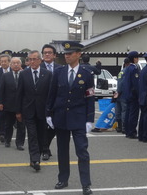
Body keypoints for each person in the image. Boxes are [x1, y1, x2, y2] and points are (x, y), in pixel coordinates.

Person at [46, 41, 95, 195]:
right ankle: (63, 179)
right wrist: (48, 114)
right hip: (61, 118)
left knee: (82, 151)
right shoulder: (59, 72)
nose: (66, 56)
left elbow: (90, 98)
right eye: (65, 54)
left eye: (70, 53)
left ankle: (86, 184)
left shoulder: (86, 74)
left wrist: (89, 119)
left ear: (78, 55)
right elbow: (51, 94)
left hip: (79, 119)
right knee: (62, 151)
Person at [16, 50, 52, 171]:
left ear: (40, 60)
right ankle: (35, 159)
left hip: (42, 111)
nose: (32, 61)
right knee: (32, 135)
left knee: (42, 135)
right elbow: (19, 94)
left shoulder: (47, 74)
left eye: (34, 59)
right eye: (29, 59)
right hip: (28, 110)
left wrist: (50, 110)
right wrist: (18, 112)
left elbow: (50, 94)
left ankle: (42, 152)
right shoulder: (24, 74)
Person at [0, 57, 25, 150]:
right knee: (8, 124)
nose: (16, 65)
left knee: (21, 125)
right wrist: (0, 102)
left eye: (18, 63)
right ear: (10, 64)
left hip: (22, 105)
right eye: (14, 63)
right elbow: (1, 90)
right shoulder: (6, 76)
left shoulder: (24, 74)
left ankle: (20, 143)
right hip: (9, 104)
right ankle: (7, 140)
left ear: (21, 64)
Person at [40, 44, 61, 160]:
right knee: (43, 127)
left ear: (54, 55)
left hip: (56, 103)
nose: (47, 54)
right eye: (45, 53)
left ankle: (45, 147)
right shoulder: (39, 67)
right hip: (42, 103)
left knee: (54, 127)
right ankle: (45, 150)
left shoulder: (60, 68)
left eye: (49, 52)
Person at [0, 54, 12, 143]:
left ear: (9, 62)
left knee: (9, 117)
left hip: (11, 99)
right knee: (1, 116)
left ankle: (8, 134)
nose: (3, 63)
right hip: (0, 98)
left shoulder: (13, 71)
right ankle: (2, 133)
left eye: (5, 61)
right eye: (2, 61)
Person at [122, 51, 140, 139]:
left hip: (127, 94)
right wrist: (138, 94)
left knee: (128, 113)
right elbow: (136, 84)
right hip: (133, 95)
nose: (138, 59)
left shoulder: (127, 68)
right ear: (134, 58)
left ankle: (127, 131)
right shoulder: (134, 69)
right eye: (137, 58)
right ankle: (132, 132)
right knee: (133, 114)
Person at [114, 58, 130, 133]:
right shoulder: (128, 71)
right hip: (123, 93)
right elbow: (122, 84)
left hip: (118, 93)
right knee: (124, 111)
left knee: (118, 110)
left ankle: (119, 126)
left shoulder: (121, 71)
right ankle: (124, 127)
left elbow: (118, 82)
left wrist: (117, 93)